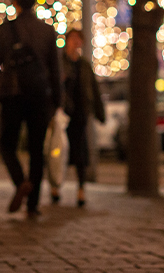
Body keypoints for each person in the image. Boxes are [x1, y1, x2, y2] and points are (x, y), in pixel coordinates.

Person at [0, 0, 61, 217]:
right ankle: (33, 204)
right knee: (37, 149)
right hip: (40, 96)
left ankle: (21, 182)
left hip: (12, 94)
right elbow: (55, 69)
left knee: (6, 144)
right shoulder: (47, 31)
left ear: (15, 2)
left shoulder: (5, 30)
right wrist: (57, 101)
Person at [51, 29, 105, 207]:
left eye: (78, 39)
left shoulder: (83, 65)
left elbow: (93, 89)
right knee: (58, 150)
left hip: (80, 113)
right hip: (63, 113)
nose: (76, 43)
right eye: (73, 39)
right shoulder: (60, 62)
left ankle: (81, 189)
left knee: (80, 151)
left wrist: (99, 112)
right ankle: (55, 185)